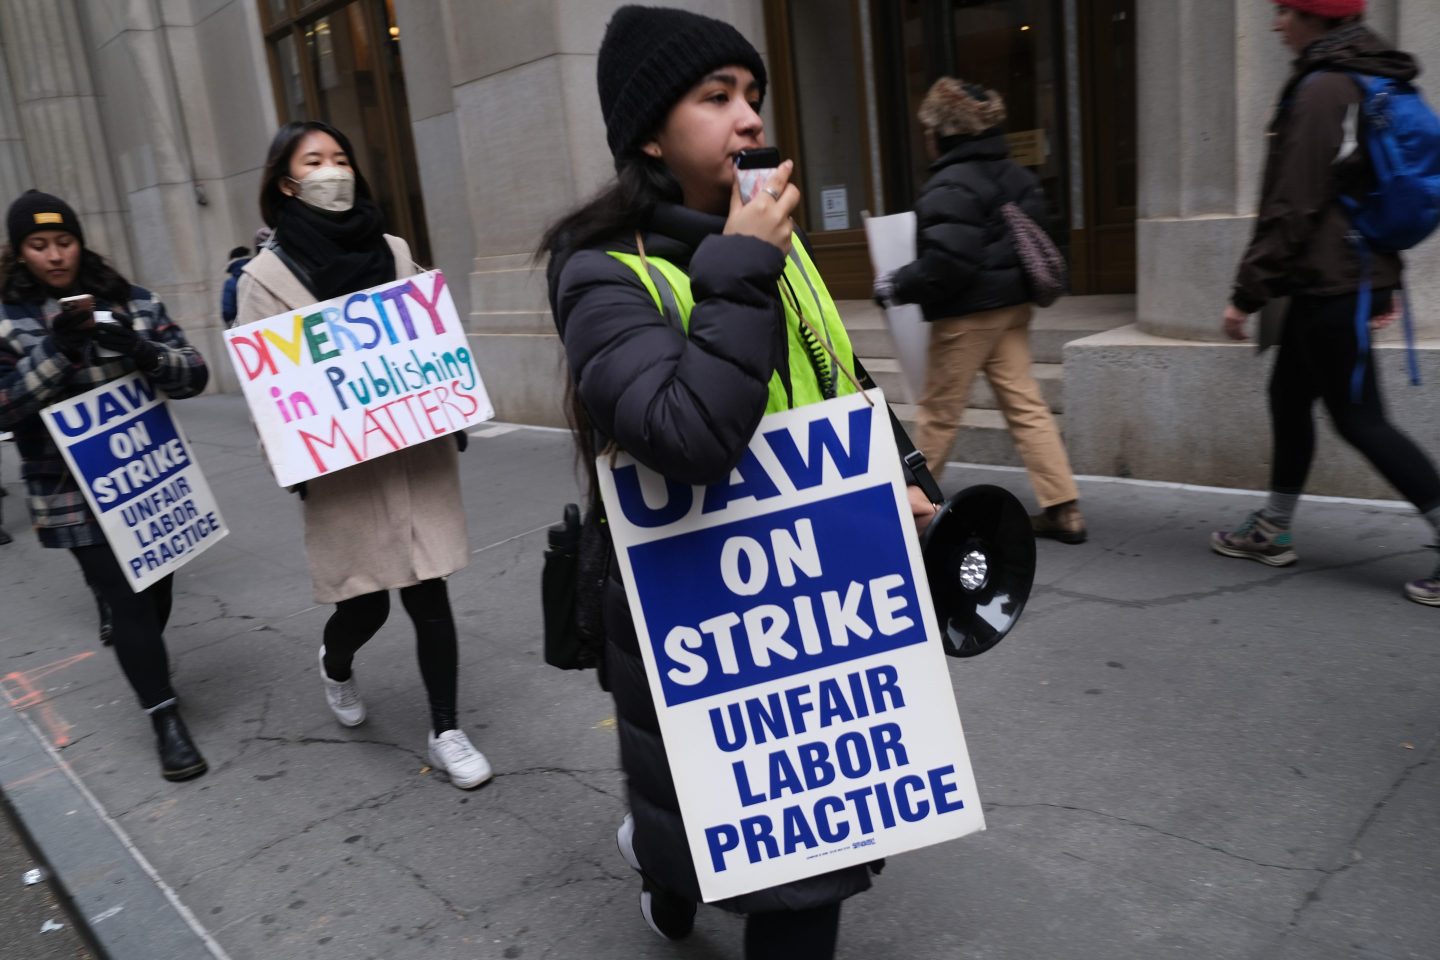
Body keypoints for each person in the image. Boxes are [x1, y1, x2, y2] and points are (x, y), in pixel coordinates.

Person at [541, 7, 936, 956]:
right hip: (692, 610)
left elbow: (834, 371)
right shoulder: (601, 272)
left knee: (811, 861)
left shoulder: (771, 239)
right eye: (716, 98)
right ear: (649, 132)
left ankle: (672, 868)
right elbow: (687, 433)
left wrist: (906, 467)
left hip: (812, 592)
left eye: (752, 95)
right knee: (699, 841)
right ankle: (665, 880)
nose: (750, 118)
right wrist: (746, 264)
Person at [232, 121, 494, 786]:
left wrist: (450, 401)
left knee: (429, 594)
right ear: (287, 183)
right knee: (365, 603)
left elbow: (426, 338)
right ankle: (337, 664)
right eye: (314, 160)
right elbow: (267, 387)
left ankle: (446, 729)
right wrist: (290, 458)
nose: (332, 169)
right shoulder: (263, 277)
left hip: (413, 454)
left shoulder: (394, 249)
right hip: (340, 469)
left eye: (340, 157)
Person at [1213, 0, 1440, 608]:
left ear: (1316, 15)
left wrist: (1244, 296)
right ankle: (1274, 528)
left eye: (1285, 10)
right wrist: (1385, 281)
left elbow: (1294, 205)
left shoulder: (1323, 88)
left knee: (1359, 417)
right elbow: (1363, 193)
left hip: (1329, 283)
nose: (1274, 22)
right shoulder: (1366, 76)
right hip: (1342, 278)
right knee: (1288, 396)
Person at [0, 189, 211, 779]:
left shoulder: (133, 301)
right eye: (38, 245)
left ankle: (146, 658)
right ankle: (165, 717)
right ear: (19, 252)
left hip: (147, 479)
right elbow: (4, 407)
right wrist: (57, 350)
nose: (54, 255)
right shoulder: (6, 320)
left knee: (154, 591)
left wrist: (142, 349)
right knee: (125, 598)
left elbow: (194, 373)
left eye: (63, 241)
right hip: (68, 487)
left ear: (79, 241)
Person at [873, 78, 1087, 544]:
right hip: (1013, 307)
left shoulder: (947, 184)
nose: (925, 138)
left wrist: (897, 284)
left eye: (928, 129)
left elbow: (949, 263)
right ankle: (1064, 508)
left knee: (938, 412)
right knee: (1026, 404)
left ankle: (913, 509)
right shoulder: (1018, 174)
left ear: (943, 132)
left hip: (966, 316)